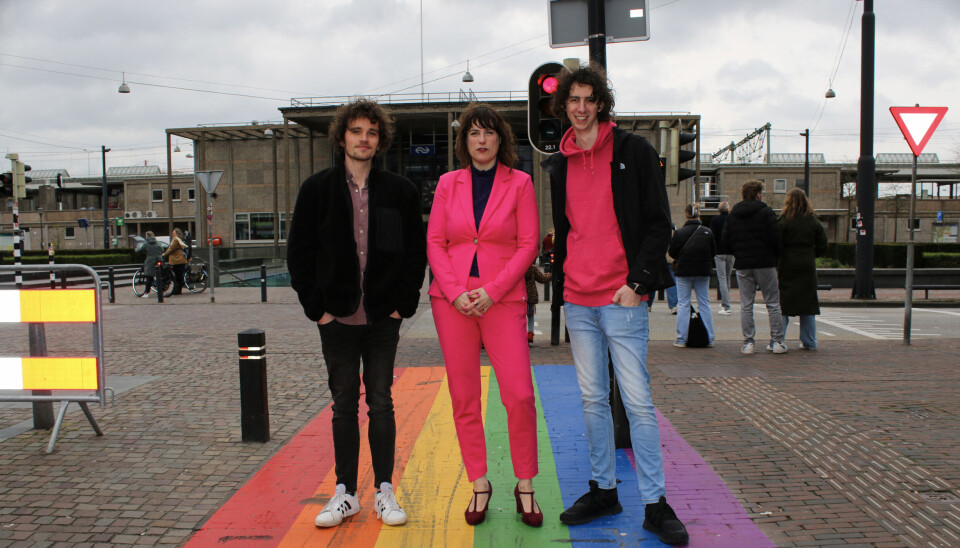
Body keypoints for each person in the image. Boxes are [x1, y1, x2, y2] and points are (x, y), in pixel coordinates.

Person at [541, 63, 688, 545]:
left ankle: (655, 502)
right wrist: (562, 284)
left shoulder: (632, 151)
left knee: (639, 403)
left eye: (589, 99)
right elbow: (567, 232)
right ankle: (604, 489)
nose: (581, 109)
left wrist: (638, 283)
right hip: (580, 301)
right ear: (563, 107)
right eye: (573, 100)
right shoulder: (558, 165)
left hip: (622, 298)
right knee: (591, 401)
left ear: (601, 104)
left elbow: (657, 223)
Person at [287, 99, 426, 529]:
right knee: (343, 404)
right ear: (342, 136)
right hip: (338, 320)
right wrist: (318, 311)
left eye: (371, 132)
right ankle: (345, 492)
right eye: (356, 131)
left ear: (379, 140)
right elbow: (300, 254)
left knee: (381, 402)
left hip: (384, 318)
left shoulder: (400, 191)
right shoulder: (316, 189)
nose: (363, 138)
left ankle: (384, 491)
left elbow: (414, 253)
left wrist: (404, 306)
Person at [427, 103, 543, 527]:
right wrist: (456, 293)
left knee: (520, 394)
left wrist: (492, 292)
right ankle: (480, 482)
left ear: (500, 139)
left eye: (488, 133)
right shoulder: (447, 183)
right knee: (463, 398)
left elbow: (528, 243)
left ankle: (525, 484)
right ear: (465, 141)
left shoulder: (521, 183)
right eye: (474, 133)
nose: (481, 140)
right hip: (452, 302)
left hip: (502, 299)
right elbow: (435, 242)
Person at [723, 180, 786, 355]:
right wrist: (775, 257)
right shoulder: (766, 212)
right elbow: (775, 238)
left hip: (743, 263)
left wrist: (739, 252)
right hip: (765, 262)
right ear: (758, 194)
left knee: (746, 304)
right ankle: (777, 341)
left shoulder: (734, 214)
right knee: (773, 302)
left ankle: (748, 342)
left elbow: (726, 240)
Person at [778, 189, 828, 350]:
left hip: (788, 262)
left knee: (785, 303)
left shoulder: (784, 220)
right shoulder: (813, 221)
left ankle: (778, 340)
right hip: (807, 262)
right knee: (808, 303)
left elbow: (776, 242)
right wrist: (812, 253)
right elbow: (823, 244)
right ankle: (809, 341)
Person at [668, 204, 716, 347]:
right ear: (699, 214)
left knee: (683, 303)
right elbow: (713, 252)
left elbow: (672, 252)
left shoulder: (680, 233)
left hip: (684, 271)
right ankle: (709, 337)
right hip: (702, 270)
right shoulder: (707, 232)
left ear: (686, 214)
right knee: (704, 303)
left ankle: (682, 338)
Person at [709, 201, 734, 315]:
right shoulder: (732, 219)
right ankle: (725, 302)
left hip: (719, 252)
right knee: (728, 278)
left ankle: (726, 305)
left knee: (722, 279)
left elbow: (711, 236)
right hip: (731, 252)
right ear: (728, 209)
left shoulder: (715, 220)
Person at [524, 261, 552, 345]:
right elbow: (542, 278)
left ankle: (520, 335)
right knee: (531, 316)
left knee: (519, 318)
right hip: (530, 297)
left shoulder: (518, 268)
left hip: (520, 297)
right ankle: (530, 334)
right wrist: (551, 275)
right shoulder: (532, 268)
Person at [162, 228, 189, 295]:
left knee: (176, 276)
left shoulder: (176, 240)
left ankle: (177, 290)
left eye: (173, 233)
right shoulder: (181, 239)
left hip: (177, 260)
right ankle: (179, 290)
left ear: (176, 233)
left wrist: (164, 254)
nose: (172, 234)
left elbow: (171, 248)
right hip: (181, 259)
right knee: (179, 275)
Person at [139, 231, 164, 298]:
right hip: (159, 260)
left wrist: (137, 248)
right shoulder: (158, 243)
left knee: (149, 277)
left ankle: (146, 292)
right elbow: (162, 250)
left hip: (150, 261)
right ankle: (161, 290)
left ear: (147, 236)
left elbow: (139, 250)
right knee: (159, 275)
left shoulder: (146, 244)